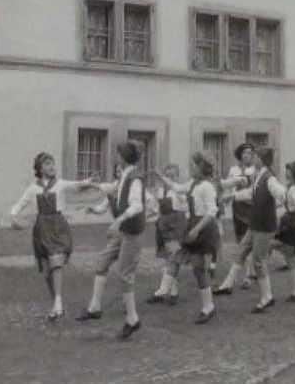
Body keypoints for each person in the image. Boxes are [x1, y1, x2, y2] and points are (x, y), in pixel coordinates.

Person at [75, 140, 146, 340]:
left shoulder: (135, 178)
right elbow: (112, 188)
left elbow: (136, 206)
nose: (115, 158)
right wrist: (94, 187)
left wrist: (119, 221)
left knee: (125, 274)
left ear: (124, 157)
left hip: (132, 232)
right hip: (124, 230)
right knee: (102, 262)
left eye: (118, 154)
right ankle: (95, 307)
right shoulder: (124, 176)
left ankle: (132, 319)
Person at [10, 152, 94, 321]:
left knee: (57, 263)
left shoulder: (60, 184)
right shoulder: (33, 189)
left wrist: (88, 182)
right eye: (48, 164)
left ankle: (58, 302)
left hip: (58, 227)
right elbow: (18, 206)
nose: (52, 167)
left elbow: (76, 185)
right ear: (40, 168)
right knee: (48, 271)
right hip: (42, 229)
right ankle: (56, 303)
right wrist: (14, 218)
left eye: (53, 164)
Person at [213, 147, 287, 314]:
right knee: (241, 252)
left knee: (258, 261)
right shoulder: (260, 175)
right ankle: (227, 285)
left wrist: (289, 206)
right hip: (255, 224)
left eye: (255, 156)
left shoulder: (269, 178)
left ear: (261, 159)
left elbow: (281, 193)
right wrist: (232, 196)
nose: (253, 158)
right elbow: (251, 192)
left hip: (264, 226)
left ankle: (267, 297)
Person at [153, 151, 221, 324]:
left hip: (204, 228)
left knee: (196, 268)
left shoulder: (207, 186)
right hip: (194, 226)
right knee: (183, 261)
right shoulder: (193, 183)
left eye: (193, 165)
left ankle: (206, 306)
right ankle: (166, 290)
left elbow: (212, 211)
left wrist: (197, 229)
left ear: (201, 167)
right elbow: (177, 187)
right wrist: (161, 177)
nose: (190, 167)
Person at [146, 164, 188, 305]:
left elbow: (185, 206)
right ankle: (169, 290)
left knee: (173, 257)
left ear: (177, 176)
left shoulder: (179, 191)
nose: (169, 178)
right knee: (165, 258)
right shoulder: (159, 190)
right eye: (167, 175)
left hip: (175, 225)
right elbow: (155, 206)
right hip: (162, 224)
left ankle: (170, 292)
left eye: (173, 175)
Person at [218, 143, 257, 288]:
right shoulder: (233, 170)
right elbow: (228, 187)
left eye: (250, 153)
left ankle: (248, 275)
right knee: (241, 240)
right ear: (240, 154)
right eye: (245, 153)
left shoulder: (255, 170)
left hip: (251, 207)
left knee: (249, 241)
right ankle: (245, 272)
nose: (248, 155)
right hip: (238, 208)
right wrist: (224, 200)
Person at [275, 161, 295, 301]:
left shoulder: (294, 189)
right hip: (290, 220)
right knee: (289, 257)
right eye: (286, 169)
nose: (286, 172)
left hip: (292, 222)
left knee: (289, 257)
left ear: (294, 173)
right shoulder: (290, 187)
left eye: (289, 170)